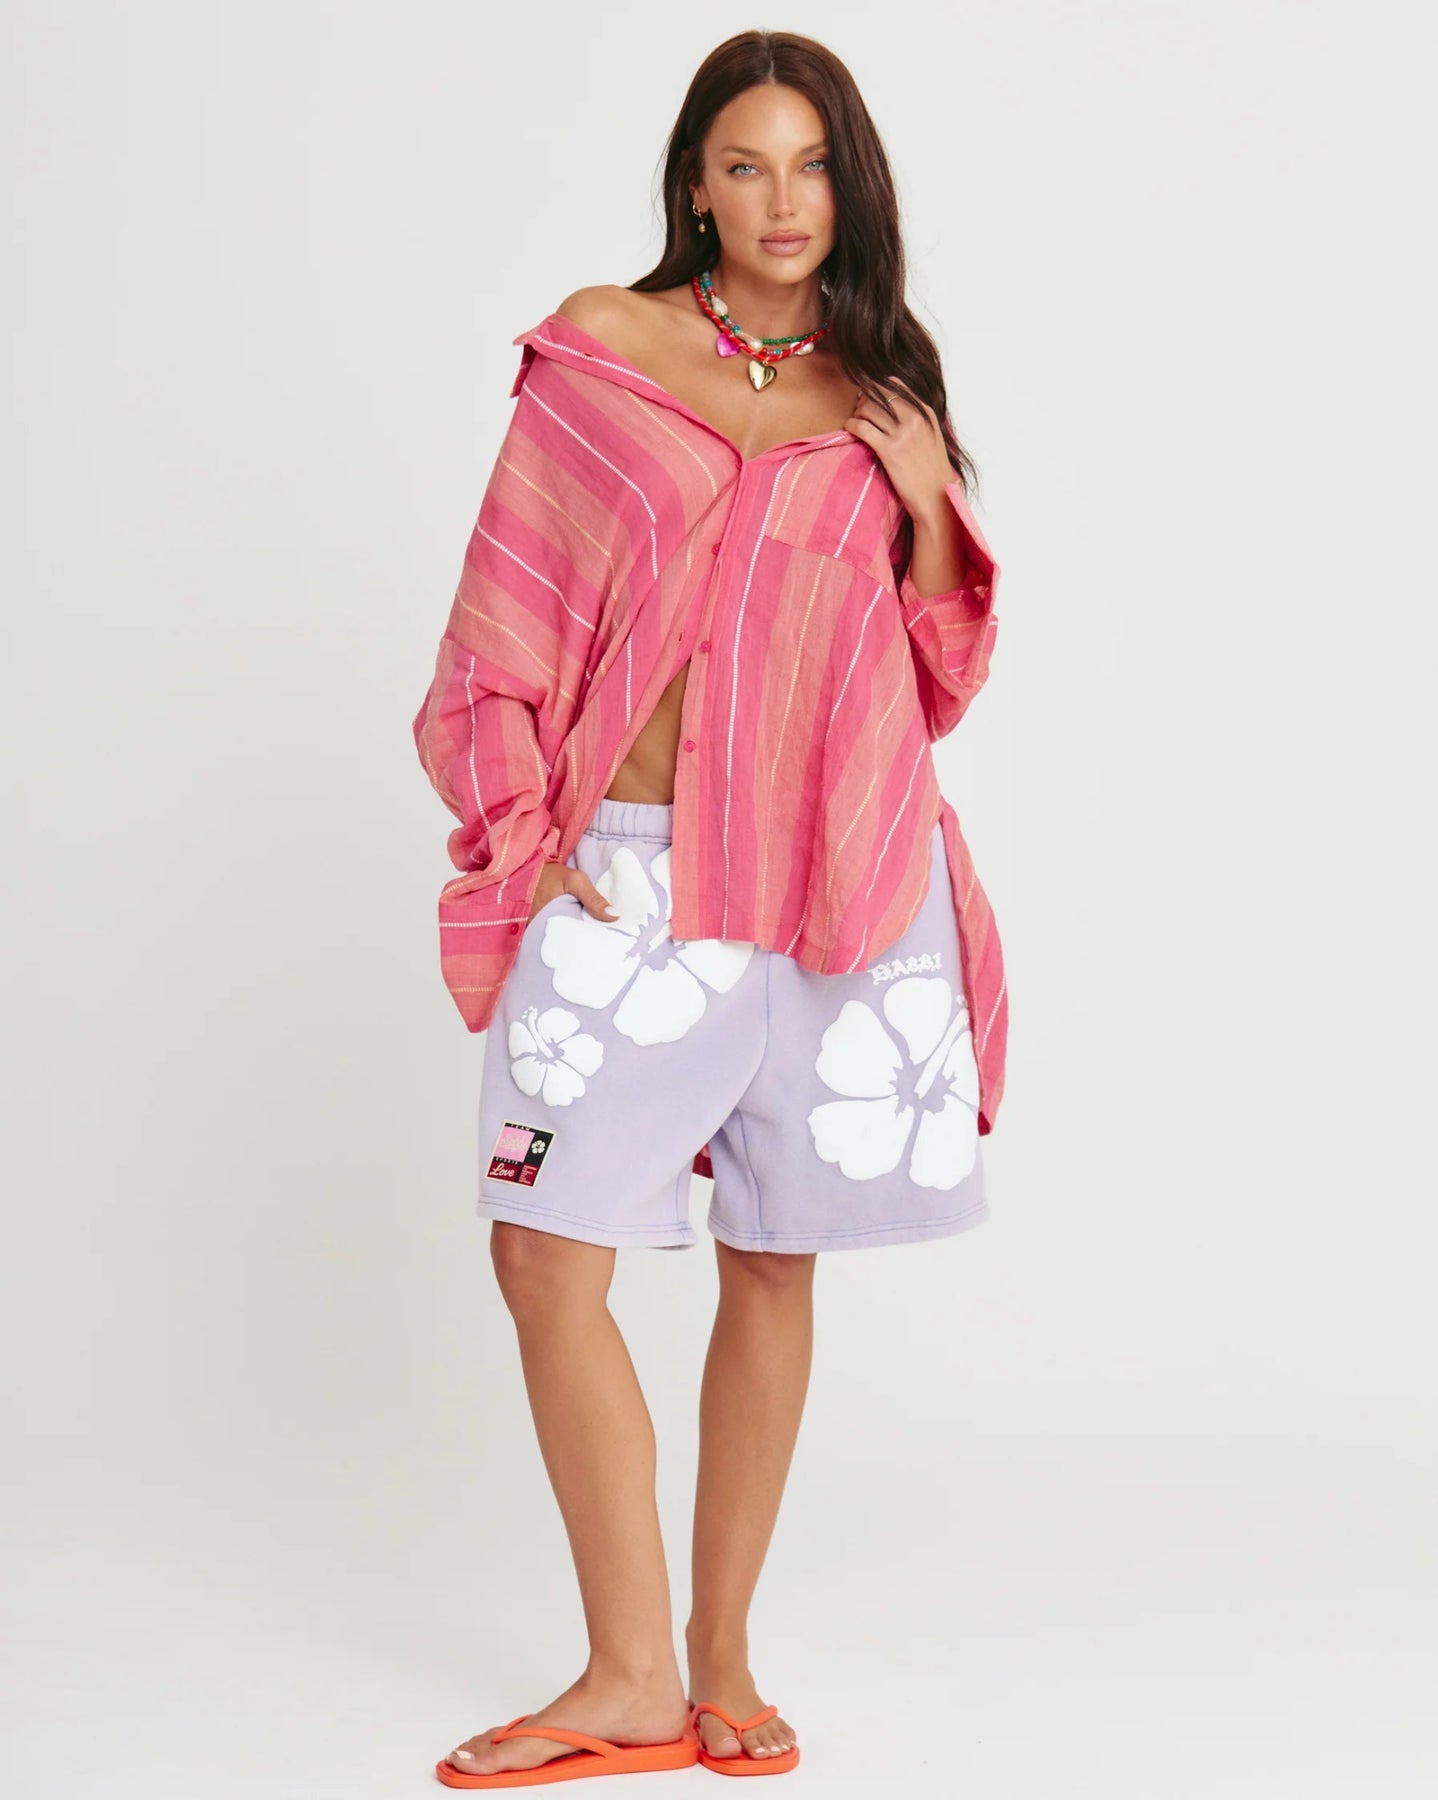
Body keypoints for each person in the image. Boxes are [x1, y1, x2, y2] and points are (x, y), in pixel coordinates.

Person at [413, 28, 1007, 1789]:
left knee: (772, 1251)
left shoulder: (885, 396)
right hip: (630, 874)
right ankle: (626, 1672)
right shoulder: (602, 351)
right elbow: (502, 611)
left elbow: (936, 677)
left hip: (825, 885)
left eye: (812, 165)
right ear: (696, 184)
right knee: (544, 1252)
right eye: (747, 165)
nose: (783, 200)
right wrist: (526, 829)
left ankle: (720, 1661)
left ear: (851, 187)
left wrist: (925, 513)